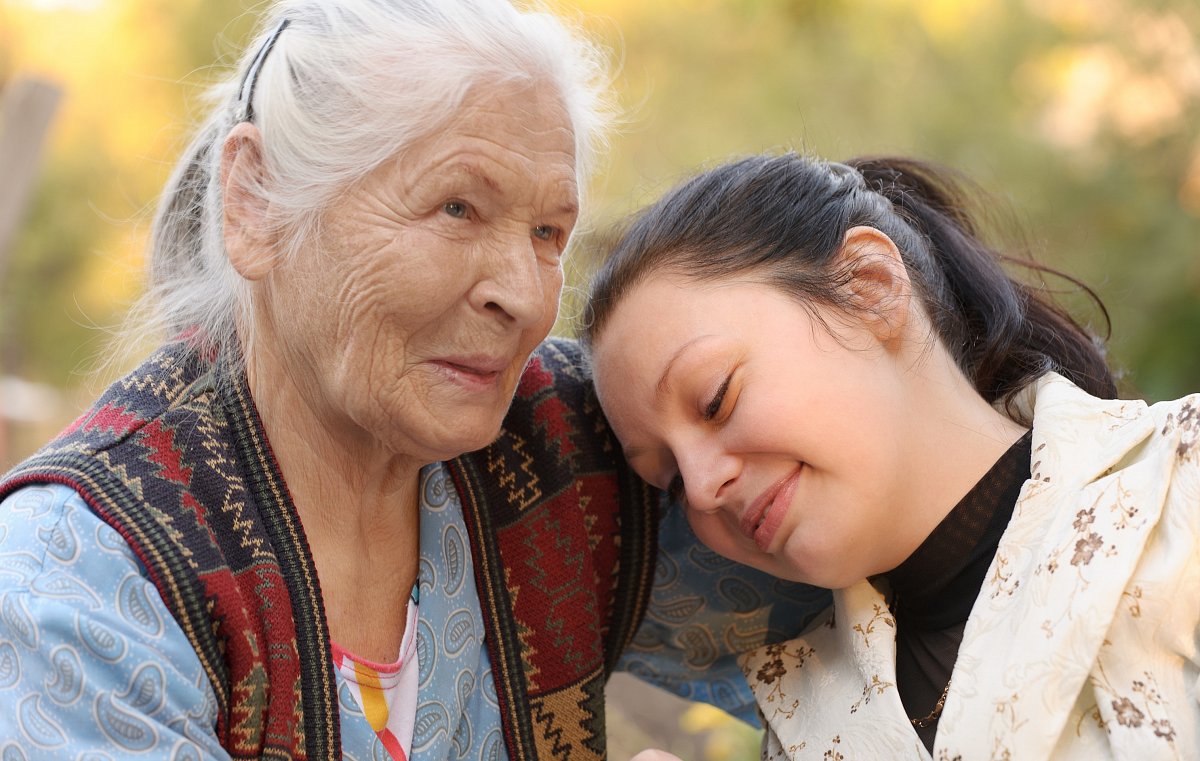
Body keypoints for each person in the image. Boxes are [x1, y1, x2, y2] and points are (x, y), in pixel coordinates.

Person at [0, 5, 830, 759]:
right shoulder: (76, 586)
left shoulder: (576, 448)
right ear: (254, 199)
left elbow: (904, 578)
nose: (526, 294)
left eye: (548, 230)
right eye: (457, 209)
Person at [583, 153, 1200, 759]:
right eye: (666, 481)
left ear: (869, 288)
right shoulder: (799, 723)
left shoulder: (1181, 490)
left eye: (716, 400)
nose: (699, 486)